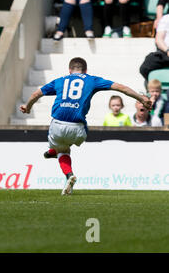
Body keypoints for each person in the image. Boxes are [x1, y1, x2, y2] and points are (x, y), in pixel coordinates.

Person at [20, 57, 151, 195]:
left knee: (62, 151)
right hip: (79, 129)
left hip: (57, 126)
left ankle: (67, 172)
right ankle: (55, 152)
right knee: (68, 140)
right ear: (86, 70)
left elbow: (36, 94)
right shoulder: (92, 80)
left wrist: (27, 107)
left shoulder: (60, 80)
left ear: (69, 70)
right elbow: (121, 88)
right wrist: (141, 98)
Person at [140, 13, 169, 82]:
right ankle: (155, 89)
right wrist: (167, 50)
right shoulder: (166, 18)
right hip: (165, 52)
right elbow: (158, 39)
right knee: (145, 67)